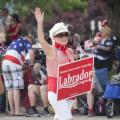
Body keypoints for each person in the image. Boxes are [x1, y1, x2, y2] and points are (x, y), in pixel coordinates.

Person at [34, 7, 75, 120]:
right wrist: (40, 23)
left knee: (59, 117)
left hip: (69, 90)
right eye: (60, 35)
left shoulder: (69, 51)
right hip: (55, 90)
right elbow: (41, 40)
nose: (64, 37)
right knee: (67, 117)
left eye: (65, 34)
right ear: (53, 37)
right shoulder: (51, 50)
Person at [2, 35, 35, 116]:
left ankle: (12, 111)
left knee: (10, 89)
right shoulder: (26, 41)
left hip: (5, 63)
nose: (30, 44)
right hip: (14, 62)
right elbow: (31, 53)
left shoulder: (14, 42)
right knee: (16, 89)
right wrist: (32, 65)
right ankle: (17, 111)